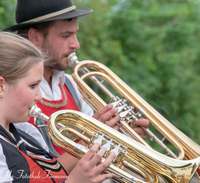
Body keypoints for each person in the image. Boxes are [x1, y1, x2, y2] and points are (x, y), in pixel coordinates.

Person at [3, 0, 149, 164]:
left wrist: (123, 140)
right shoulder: (11, 95)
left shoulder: (74, 86)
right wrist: (94, 136)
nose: (76, 44)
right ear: (34, 37)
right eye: (65, 36)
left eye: (75, 34)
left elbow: (95, 161)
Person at [0, 31, 117, 183]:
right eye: (33, 86)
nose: (39, 96)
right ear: (1, 86)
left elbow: (48, 181)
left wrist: (98, 156)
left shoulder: (27, 132)